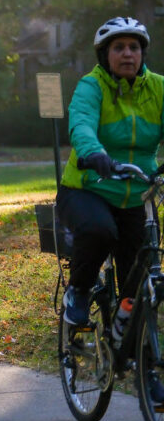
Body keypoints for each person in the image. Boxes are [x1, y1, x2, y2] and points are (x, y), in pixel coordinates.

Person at [59, 18, 163, 340]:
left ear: (142, 53)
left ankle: (131, 347)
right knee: (99, 230)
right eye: (119, 48)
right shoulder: (92, 86)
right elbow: (82, 124)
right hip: (90, 186)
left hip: (137, 195)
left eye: (134, 47)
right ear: (105, 55)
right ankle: (77, 290)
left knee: (142, 272)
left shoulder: (159, 88)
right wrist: (95, 153)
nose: (128, 54)